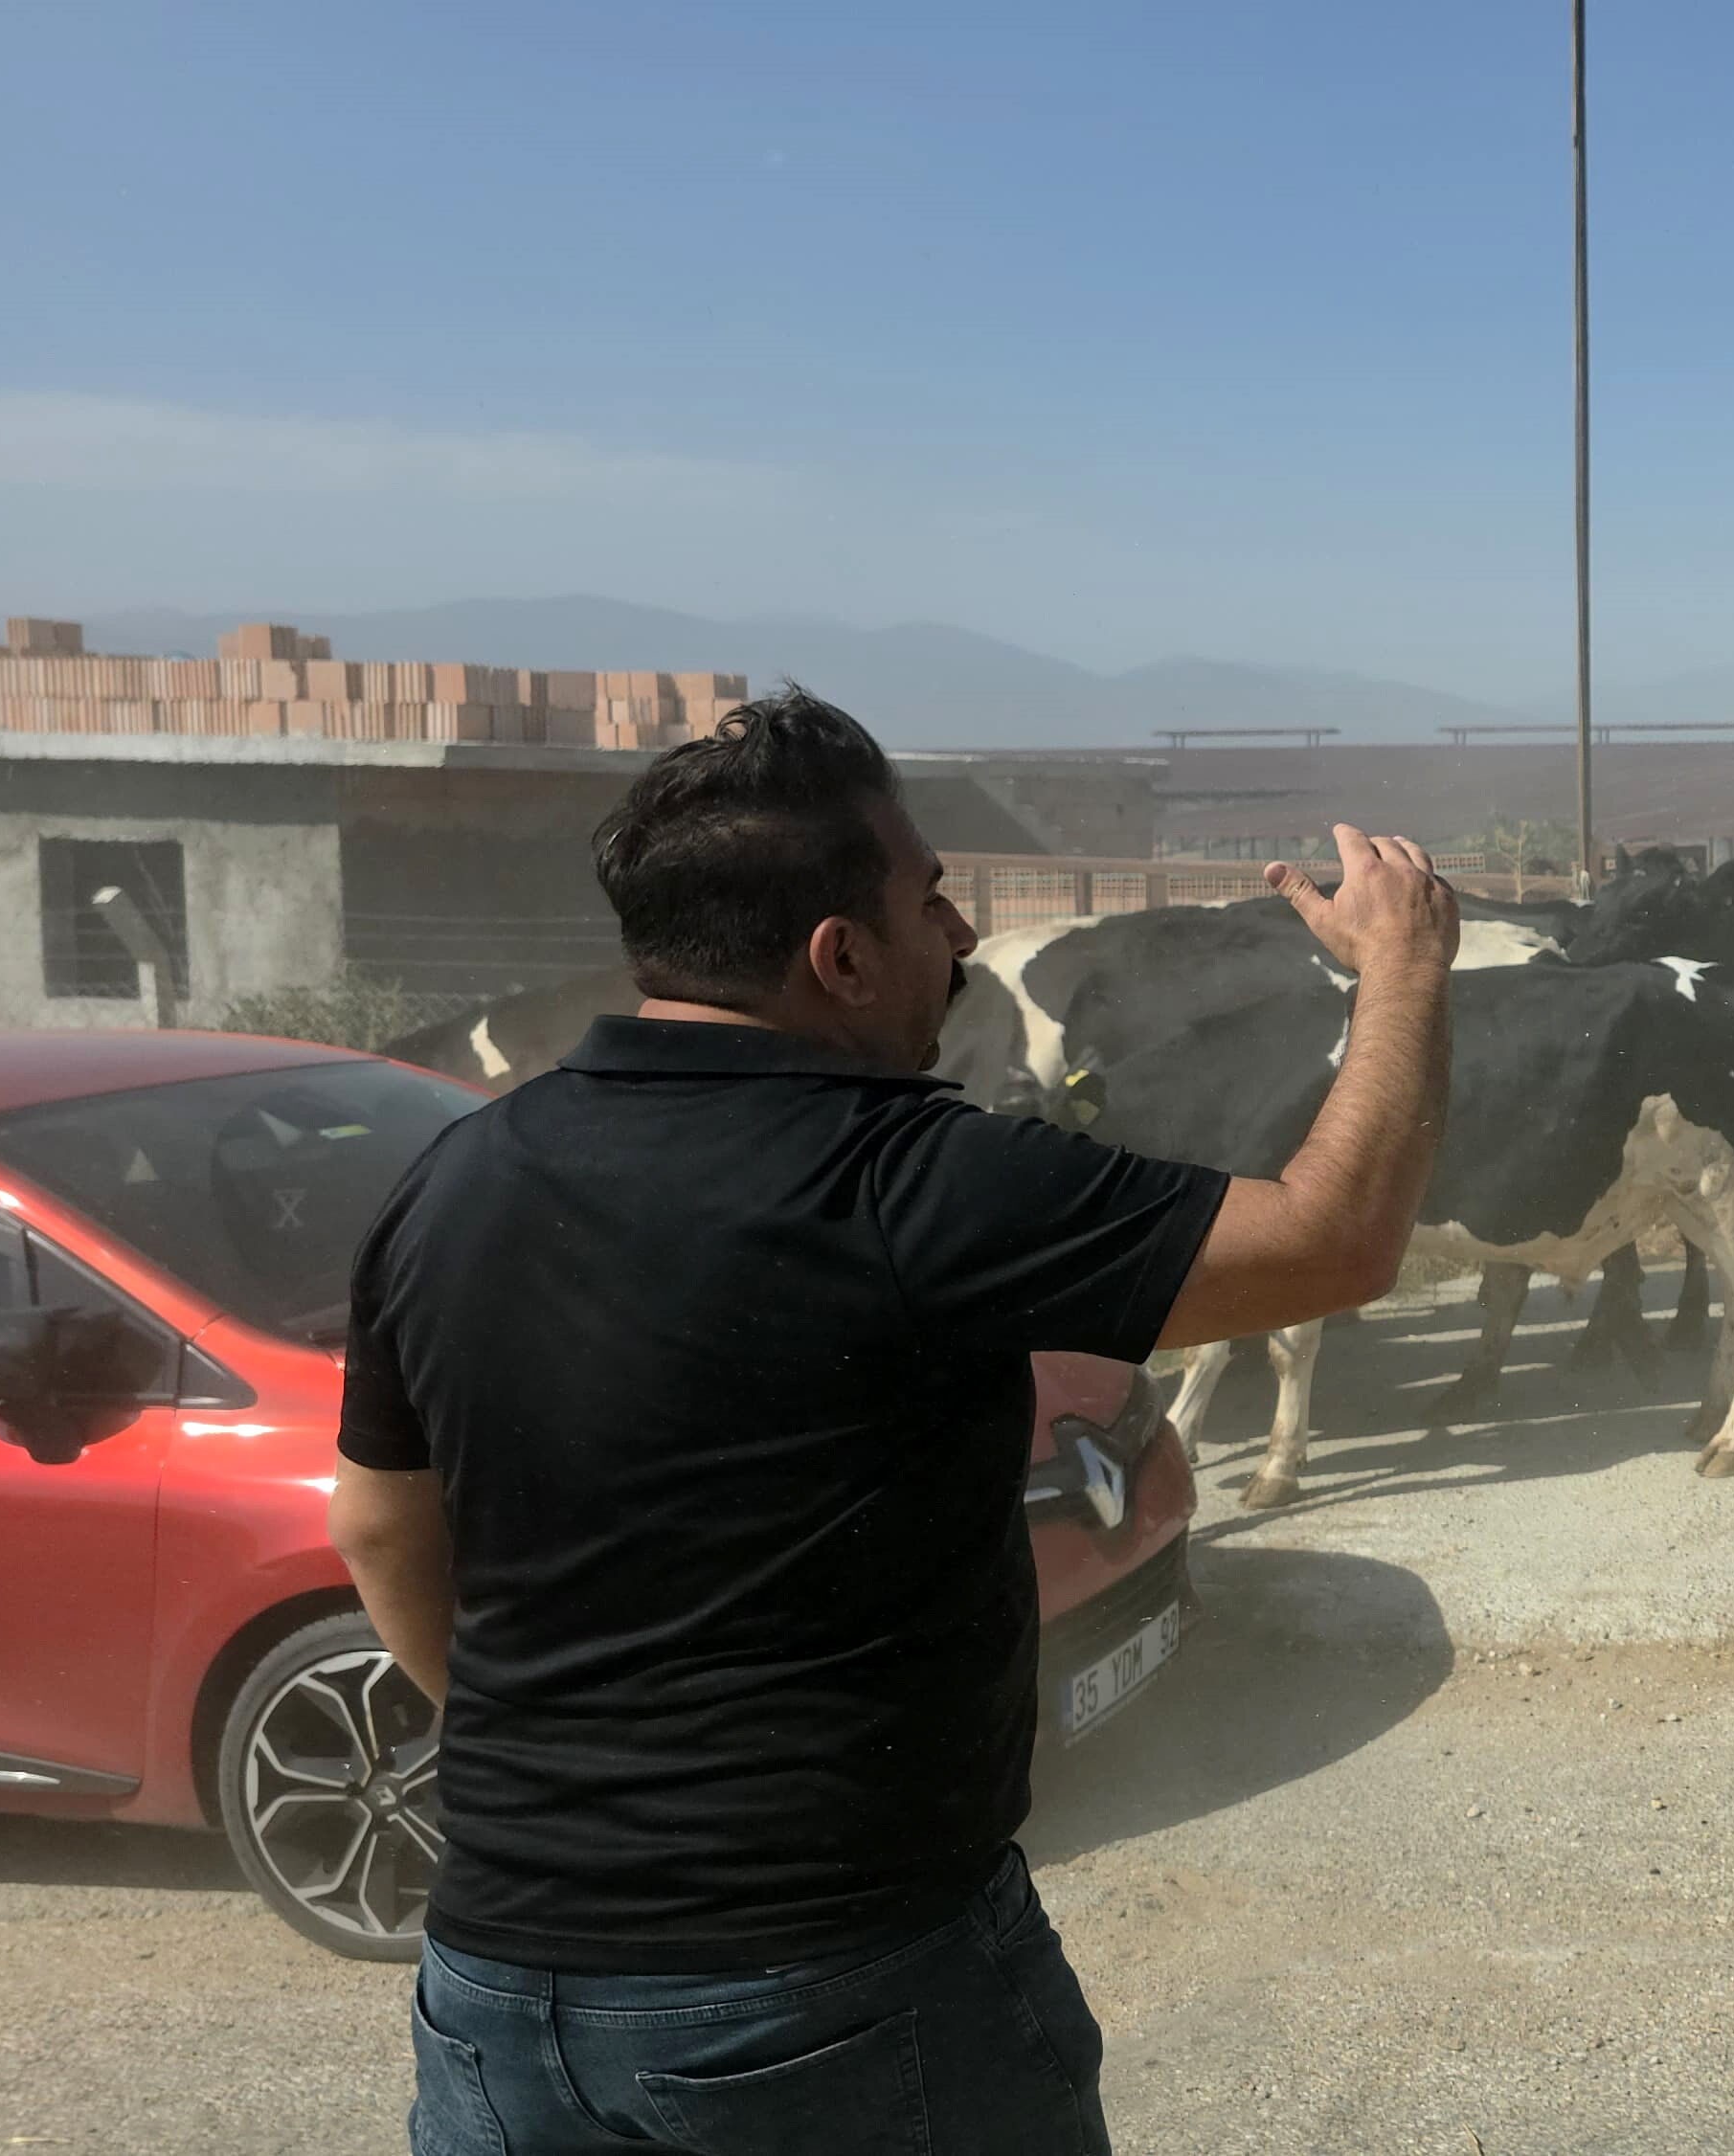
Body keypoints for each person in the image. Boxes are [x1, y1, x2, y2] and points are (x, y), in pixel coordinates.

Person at [324, 689, 1459, 2155]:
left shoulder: (452, 1180)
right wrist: (1407, 969)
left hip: (496, 1995)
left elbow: (372, 1521)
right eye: (930, 900)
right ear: (840, 957)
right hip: (827, 1995)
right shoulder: (911, 1181)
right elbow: (1334, 1240)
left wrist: (543, 1767)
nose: (965, 938)